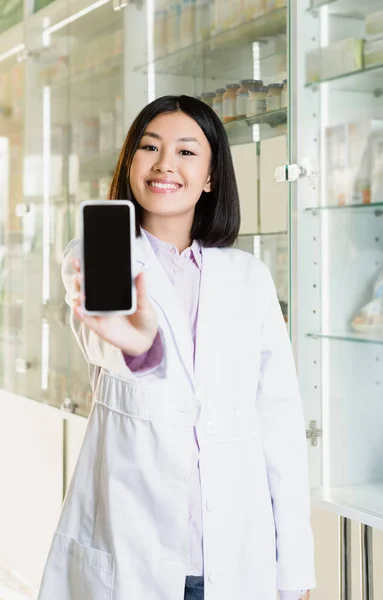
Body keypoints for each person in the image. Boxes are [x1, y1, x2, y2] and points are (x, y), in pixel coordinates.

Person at [38, 95, 315, 600]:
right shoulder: (99, 255)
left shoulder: (248, 277)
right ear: (130, 163)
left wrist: (294, 572)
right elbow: (105, 344)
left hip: (234, 553)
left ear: (210, 177)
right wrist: (140, 347)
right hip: (133, 552)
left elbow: (280, 425)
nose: (165, 164)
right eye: (150, 147)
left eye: (187, 152)